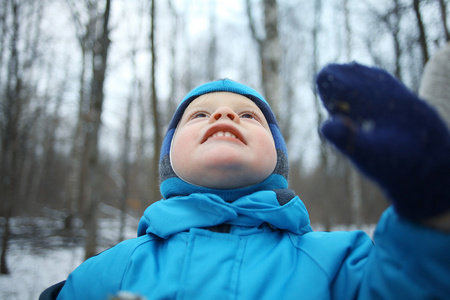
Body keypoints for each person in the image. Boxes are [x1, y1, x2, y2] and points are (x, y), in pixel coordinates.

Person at [42, 63, 450, 300]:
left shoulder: (340, 262)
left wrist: (431, 214)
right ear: (168, 158)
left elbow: (418, 284)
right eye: (200, 115)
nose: (224, 117)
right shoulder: (109, 271)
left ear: (278, 156)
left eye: (249, 116)